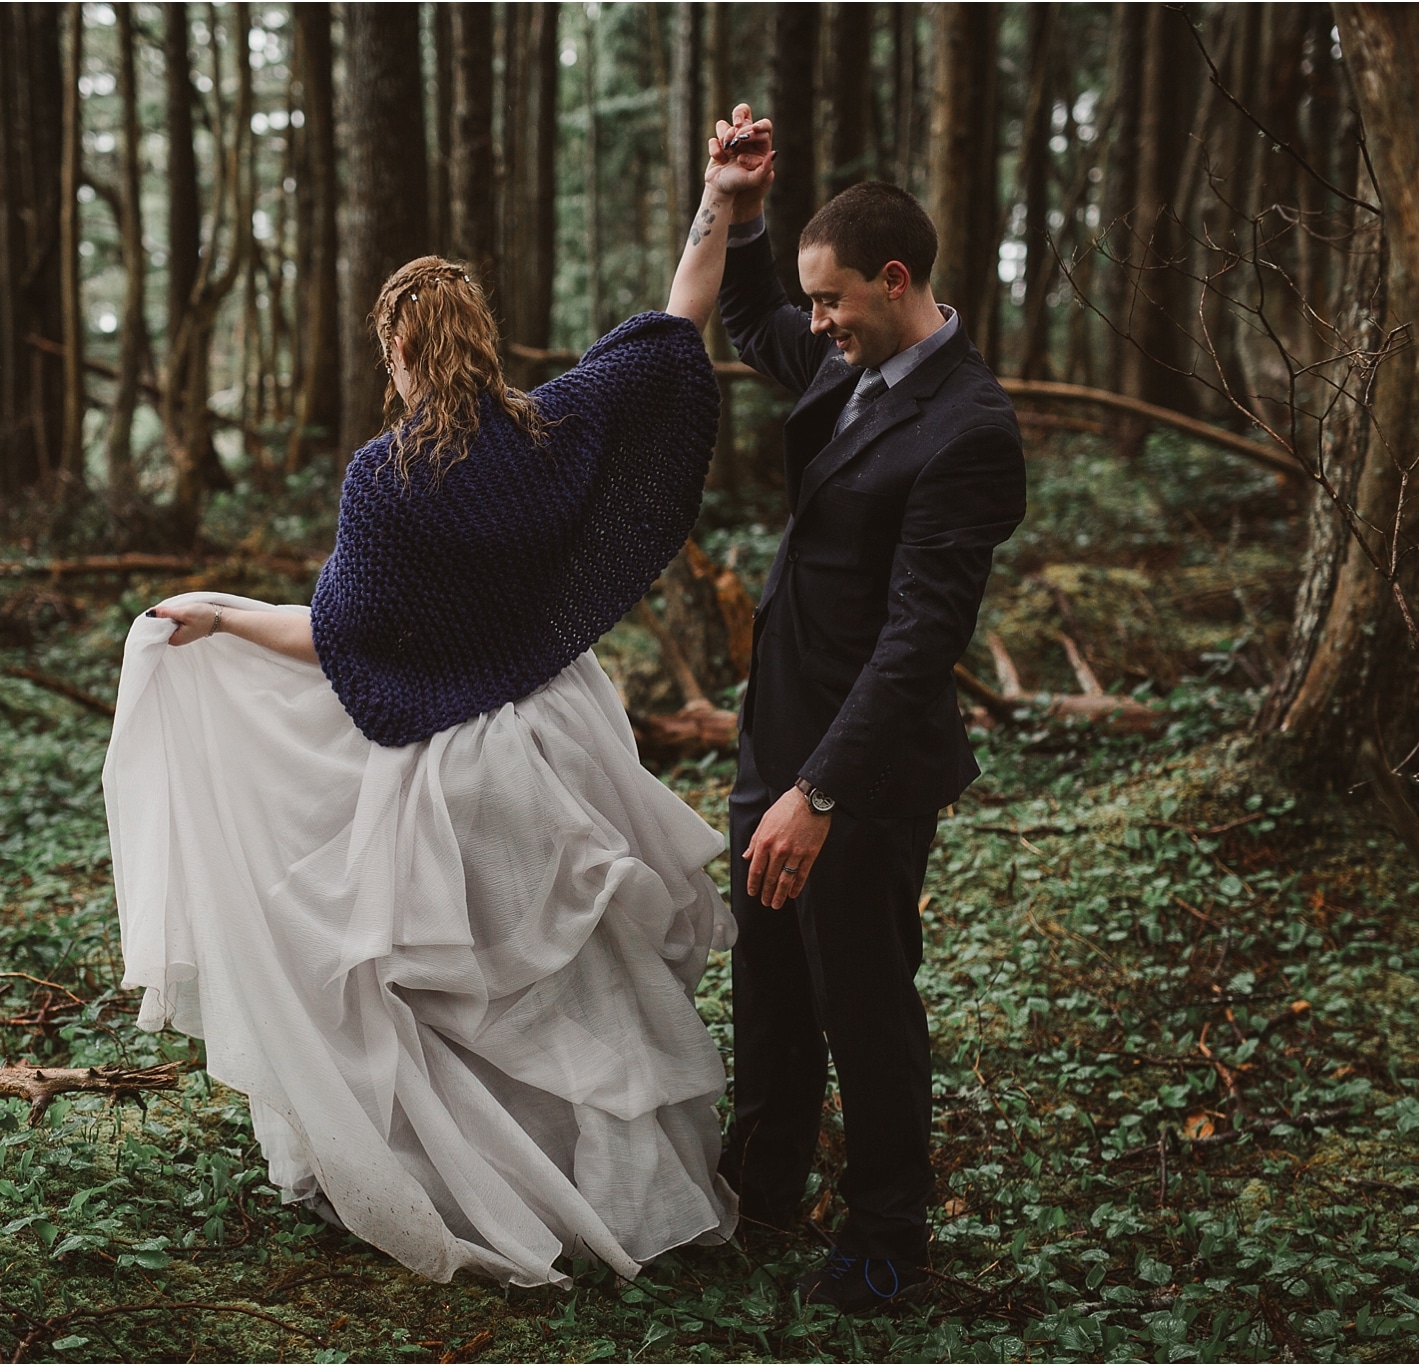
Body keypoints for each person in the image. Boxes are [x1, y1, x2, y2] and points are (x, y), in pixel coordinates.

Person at [101, 256, 740, 1287]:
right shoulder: (552, 427)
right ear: (479, 336)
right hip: (566, 736)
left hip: (463, 765)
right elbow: (668, 342)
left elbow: (340, 632)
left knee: (461, 991)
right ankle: (631, 1197)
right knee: (582, 983)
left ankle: (488, 1196)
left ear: (399, 350)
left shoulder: (388, 477)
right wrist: (717, 209)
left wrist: (218, 615)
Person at [666, 105, 1027, 1311]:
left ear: (894, 278)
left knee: (860, 993)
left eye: (833, 303)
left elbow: (922, 640)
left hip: (858, 766)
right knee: (768, 973)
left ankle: (883, 1239)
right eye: (815, 308)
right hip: (775, 733)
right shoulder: (850, 358)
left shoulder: (967, 429)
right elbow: (757, 318)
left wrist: (820, 792)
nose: (813, 328)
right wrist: (745, 209)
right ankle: (760, 1188)